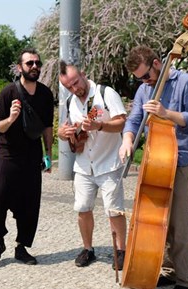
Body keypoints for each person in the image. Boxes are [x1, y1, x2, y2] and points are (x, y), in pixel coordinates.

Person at [119, 45, 188, 289]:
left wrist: (167, 114)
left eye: (146, 76)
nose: (144, 82)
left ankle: (186, 282)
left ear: (158, 63)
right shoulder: (145, 89)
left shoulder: (186, 82)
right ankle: (168, 270)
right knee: (160, 222)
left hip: (180, 161)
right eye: (139, 79)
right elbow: (134, 120)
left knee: (179, 225)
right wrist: (127, 140)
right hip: (155, 160)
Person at [0, 48, 54, 265]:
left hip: (31, 156)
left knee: (30, 203)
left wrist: (49, 154)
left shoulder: (45, 94)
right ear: (19, 68)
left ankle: (21, 247)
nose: (34, 67)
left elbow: (47, 127)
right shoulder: (8, 93)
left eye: (37, 63)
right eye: (29, 63)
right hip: (6, 154)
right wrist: (11, 118)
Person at [57, 61, 128, 269]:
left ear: (83, 74)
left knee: (114, 210)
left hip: (108, 163)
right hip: (83, 165)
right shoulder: (71, 101)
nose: (74, 88)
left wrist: (100, 125)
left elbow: (122, 122)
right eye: (68, 86)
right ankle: (88, 249)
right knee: (82, 208)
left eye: (75, 83)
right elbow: (65, 130)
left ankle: (121, 251)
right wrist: (63, 134)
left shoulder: (105, 93)